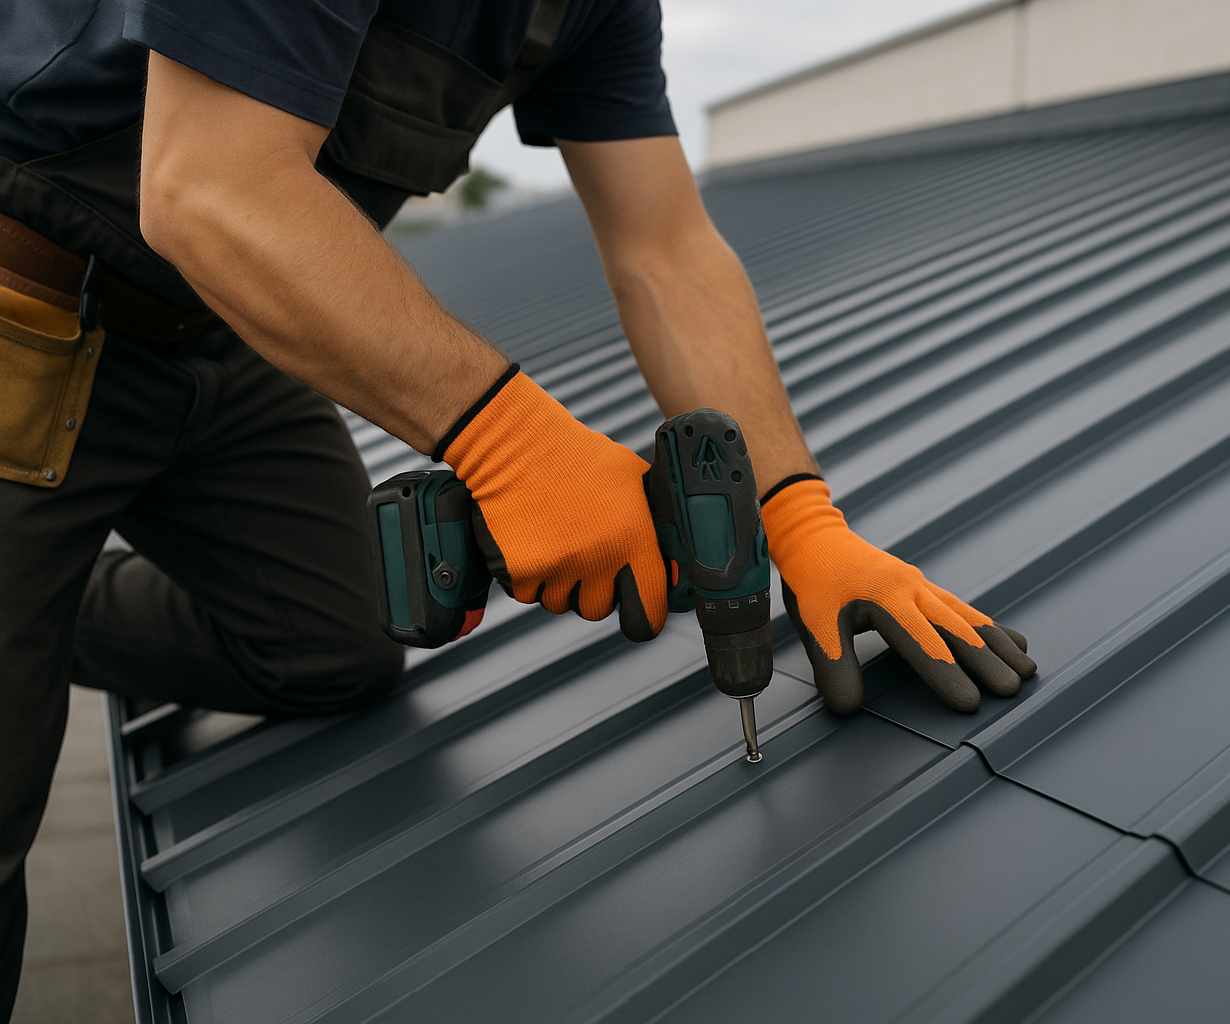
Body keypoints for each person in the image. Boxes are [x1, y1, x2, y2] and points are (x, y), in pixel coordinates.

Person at [0, 0, 1036, 1013]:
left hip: (214, 327)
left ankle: (46, 616)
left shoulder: (598, 11)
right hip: (26, 297)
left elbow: (665, 248)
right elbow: (207, 190)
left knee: (339, 642)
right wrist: (515, 447)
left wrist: (798, 513)